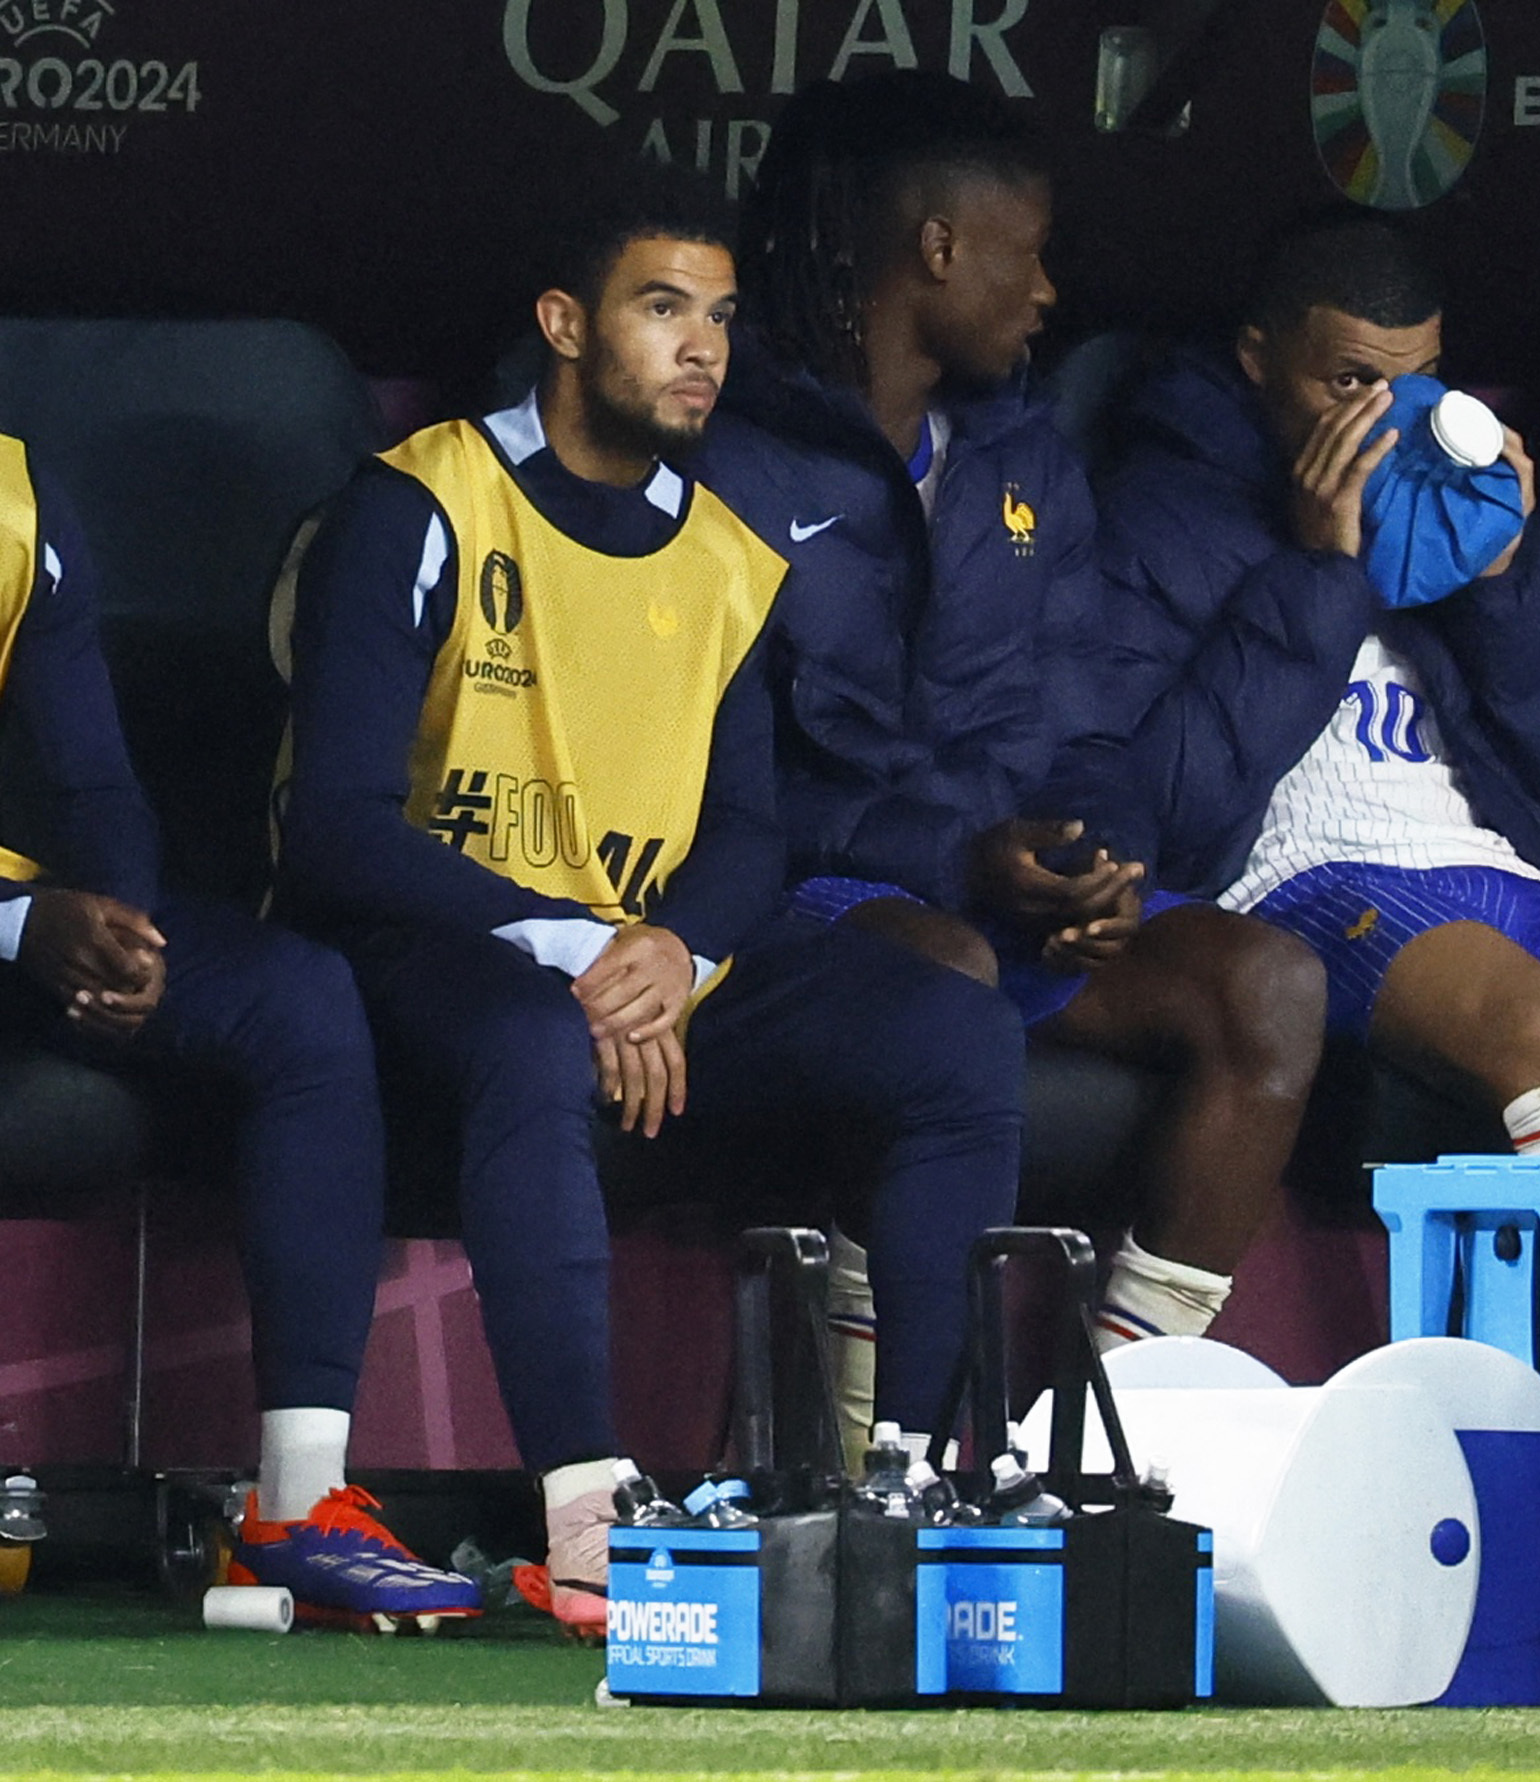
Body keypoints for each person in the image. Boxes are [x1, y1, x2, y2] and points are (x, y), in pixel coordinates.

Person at [272, 165, 1025, 1632]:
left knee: (960, 1041)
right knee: (536, 1037)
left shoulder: (728, 556)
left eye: (722, 318)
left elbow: (751, 827)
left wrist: (678, 948)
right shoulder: (421, 499)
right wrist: (587, 950)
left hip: (644, 972)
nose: (702, 348)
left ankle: (914, 1484)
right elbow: (335, 833)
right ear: (564, 322)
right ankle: (585, 1517)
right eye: (662, 308)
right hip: (436, 952)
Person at [697, 72, 1326, 1391]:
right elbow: (712, 786)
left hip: (1001, 883)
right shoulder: (724, 454)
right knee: (941, 978)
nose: (1046, 295)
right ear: (939, 248)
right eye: (1027, 256)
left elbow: (1082, 718)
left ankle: (1129, 1427)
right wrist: (964, 858)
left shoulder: (1025, 457)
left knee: (1266, 985)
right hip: (810, 900)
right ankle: (878, 1443)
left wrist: (1099, 858)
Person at [0, 433, 479, 1627]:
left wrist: (120, 935)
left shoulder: (14, 485)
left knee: (296, 998)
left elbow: (92, 780)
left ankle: (298, 1508)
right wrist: (19, 926)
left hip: (17, 915)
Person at [1081, 211, 1540, 1157]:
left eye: (1414, 383)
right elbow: (1157, 805)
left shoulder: (1457, 508)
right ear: (1258, 358)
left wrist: (1504, 583)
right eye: (1349, 382)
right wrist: (1320, 572)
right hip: (1309, 876)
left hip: (1502, 863)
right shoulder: (1160, 508)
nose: (1386, 416)